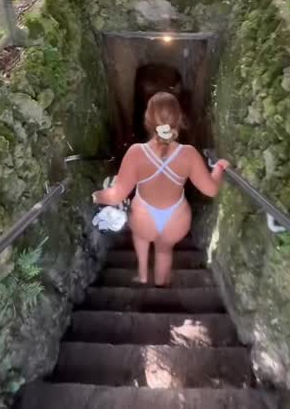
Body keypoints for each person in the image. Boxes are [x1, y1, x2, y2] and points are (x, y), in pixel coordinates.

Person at [93, 91, 229, 286]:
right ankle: (160, 285)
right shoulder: (189, 154)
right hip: (176, 219)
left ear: (147, 120)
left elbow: (116, 196)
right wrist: (219, 168)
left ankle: (142, 275)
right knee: (164, 250)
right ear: (179, 119)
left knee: (141, 236)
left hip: (143, 217)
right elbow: (211, 190)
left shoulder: (136, 153)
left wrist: (96, 196)